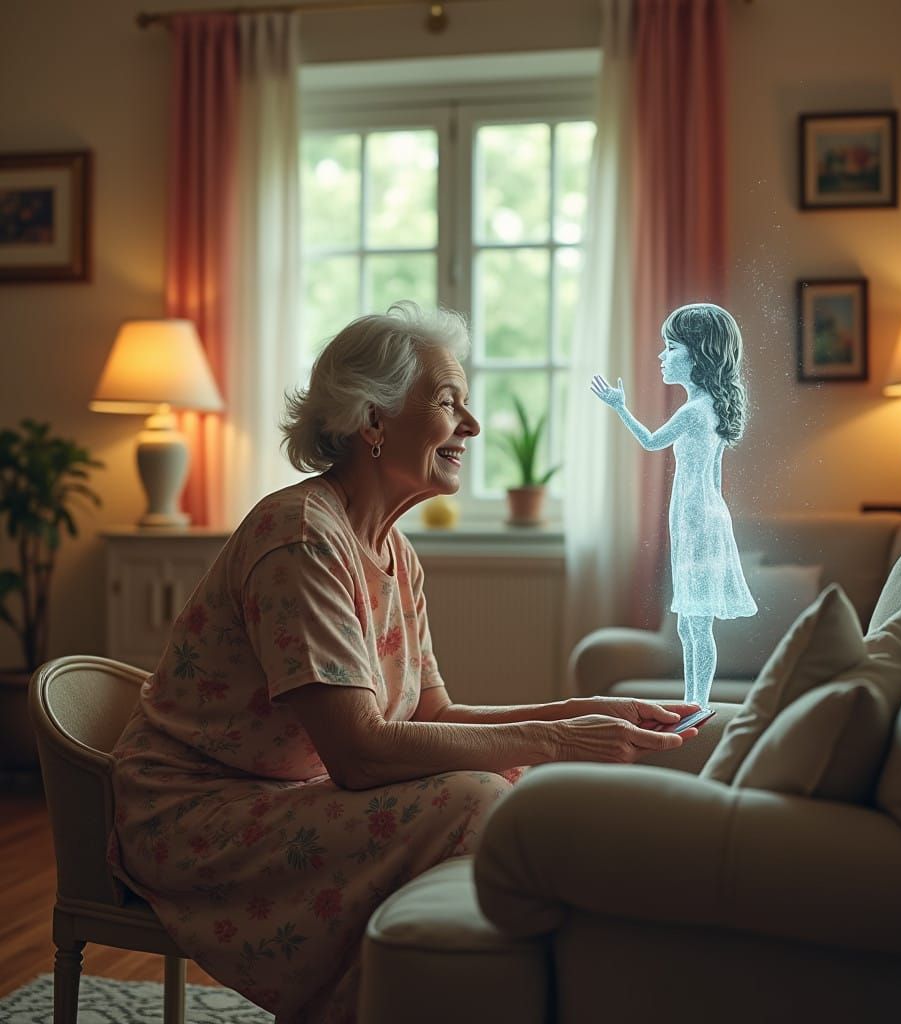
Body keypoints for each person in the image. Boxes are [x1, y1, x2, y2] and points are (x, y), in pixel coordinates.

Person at [107, 301, 700, 1024]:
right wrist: (560, 741)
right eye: (450, 404)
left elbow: (432, 715)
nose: (473, 427)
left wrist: (582, 714)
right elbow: (360, 754)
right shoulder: (301, 539)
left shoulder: (395, 552)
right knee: (474, 797)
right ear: (374, 421)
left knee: (498, 777)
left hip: (286, 795)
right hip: (198, 815)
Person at [592, 302, 757, 707]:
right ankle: (693, 700)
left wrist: (618, 406)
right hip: (698, 516)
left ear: (698, 354)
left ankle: (696, 704)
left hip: (698, 518)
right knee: (691, 624)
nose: (662, 356)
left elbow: (650, 442)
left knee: (696, 624)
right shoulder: (710, 406)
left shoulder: (695, 411)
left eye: (672, 348)